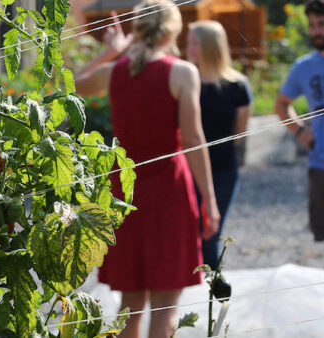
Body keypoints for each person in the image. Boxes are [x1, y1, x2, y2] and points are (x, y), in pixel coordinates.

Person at [75, 1, 220, 337]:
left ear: (137, 29)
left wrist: (112, 52)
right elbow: (195, 140)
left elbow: (72, 84)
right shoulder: (182, 72)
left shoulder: (115, 71)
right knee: (165, 310)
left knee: (128, 308)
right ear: (172, 31)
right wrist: (209, 199)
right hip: (170, 190)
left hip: (124, 191)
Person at [275, 0, 324, 272]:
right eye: (312, 25)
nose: (316, 31)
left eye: (322, 24)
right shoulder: (304, 66)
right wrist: (300, 131)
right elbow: (281, 104)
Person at [185, 20, 253, 269]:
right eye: (188, 41)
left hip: (224, 170)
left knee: (210, 234)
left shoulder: (238, 86)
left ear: (211, 46)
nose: (189, 47)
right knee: (188, 233)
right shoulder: (184, 81)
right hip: (188, 169)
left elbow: (239, 135)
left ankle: (209, 295)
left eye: (195, 42)